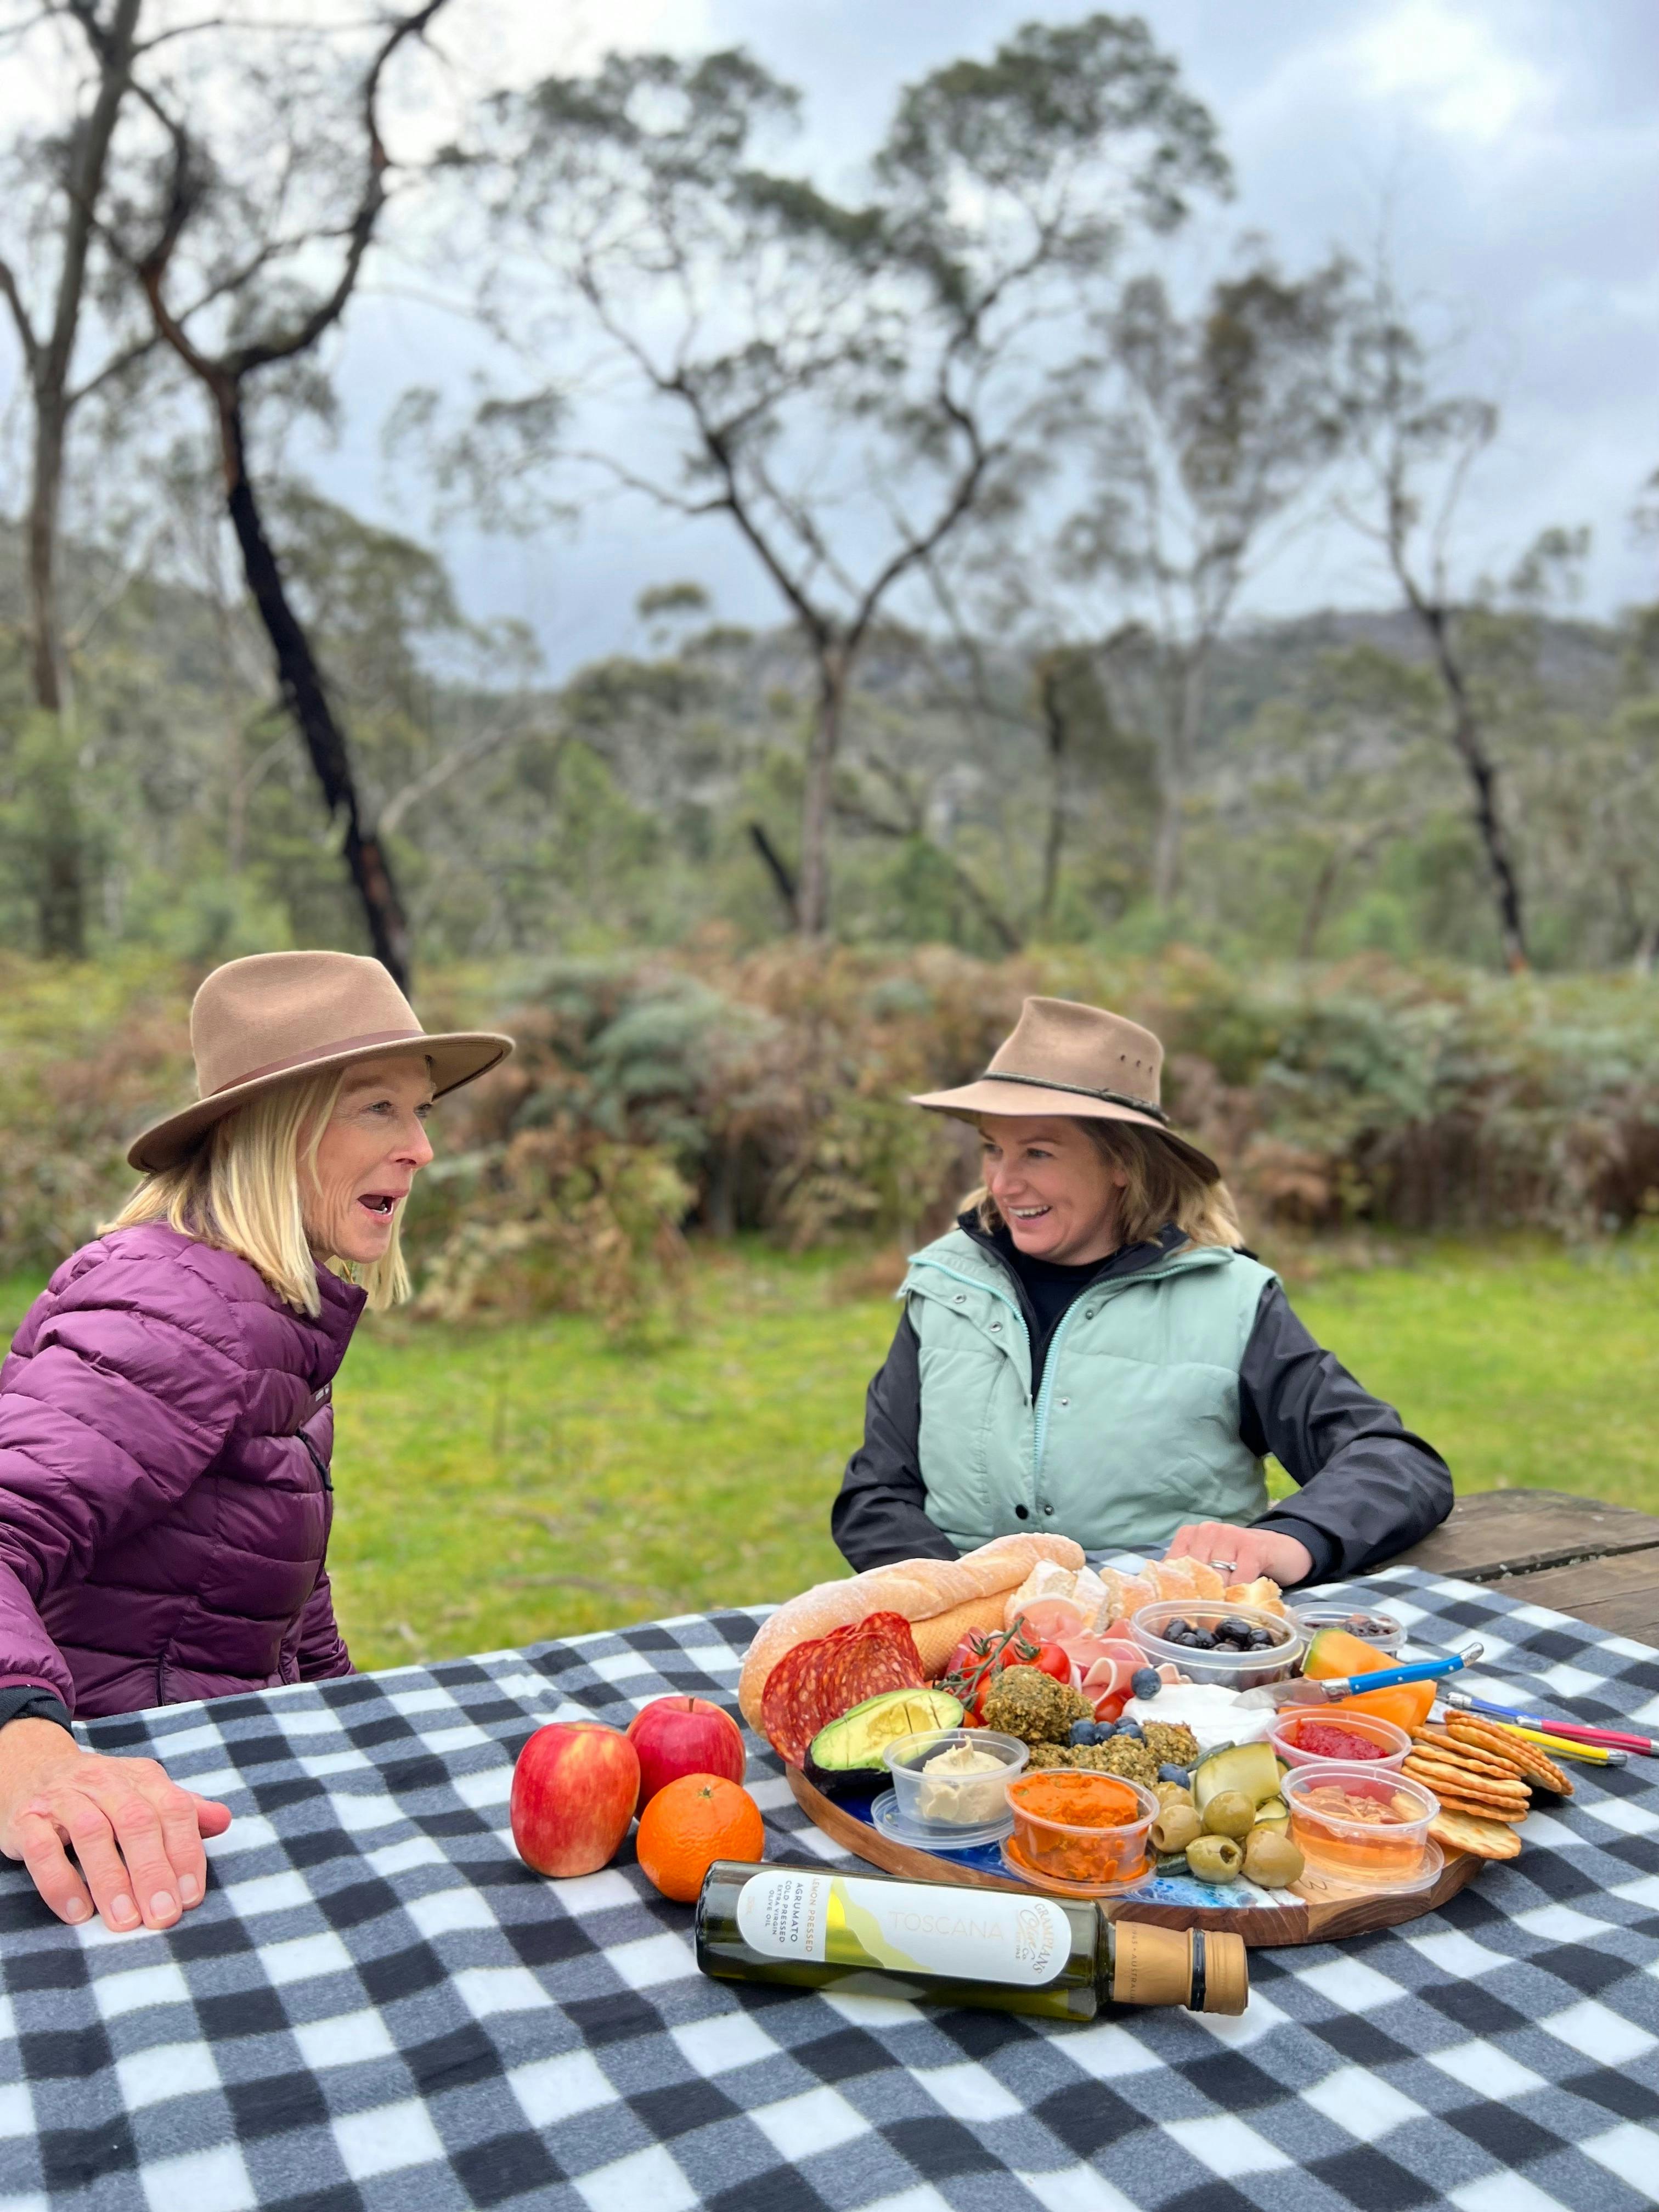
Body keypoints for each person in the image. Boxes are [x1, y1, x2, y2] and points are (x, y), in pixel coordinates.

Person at [0, 951, 511, 1934]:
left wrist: (370, 1735)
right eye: (377, 1108)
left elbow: (280, 1599)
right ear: (266, 1130)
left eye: (420, 1113)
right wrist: (30, 1749)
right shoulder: (172, 1307)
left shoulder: (274, 1308)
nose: (421, 1150)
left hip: (216, 1779)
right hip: (120, 1828)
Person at [833, 996, 1451, 1589]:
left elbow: (1396, 1465)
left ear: (1121, 1163)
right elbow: (876, 1495)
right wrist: (970, 1604)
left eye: (1038, 1152)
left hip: (1167, 1654)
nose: (1003, 1182)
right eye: (993, 1148)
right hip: (967, 1655)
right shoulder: (946, 1289)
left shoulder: (1230, 1303)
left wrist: (1287, 1540)